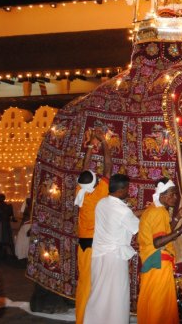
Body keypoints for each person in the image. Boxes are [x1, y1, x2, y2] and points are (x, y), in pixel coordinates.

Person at [83, 174, 140, 324]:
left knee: (99, 293)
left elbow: (124, 217)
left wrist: (144, 210)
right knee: (117, 296)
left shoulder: (102, 203)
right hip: (114, 258)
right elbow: (136, 226)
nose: (129, 190)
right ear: (121, 190)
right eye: (127, 188)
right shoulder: (123, 211)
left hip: (99, 255)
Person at [137, 178, 182, 324]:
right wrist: (181, 229)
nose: (175, 197)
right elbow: (158, 243)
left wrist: (176, 220)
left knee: (155, 303)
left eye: (176, 194)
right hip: (158, 263)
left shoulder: (156, 210)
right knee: (159, 306)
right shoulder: (158, 213)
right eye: (172, 194)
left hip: (154, 262)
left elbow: (164, 235)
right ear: (161, 195)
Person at [75, 128, 113, 324]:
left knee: (84, 282)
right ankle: (85, 319)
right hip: (94, 246)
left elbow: (85, 167)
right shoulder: (98, 195)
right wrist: (104, 143)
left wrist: (90, 144)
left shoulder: (80, 193)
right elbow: (108, 167)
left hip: (83, 245)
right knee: (92, 285)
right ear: (95, 182)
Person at [0, 193, 16, 258]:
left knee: (6, 240)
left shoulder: (7, 207)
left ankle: (9, 255)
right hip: (3, 225)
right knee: (6, 240)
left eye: (0, 198)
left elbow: (12, 217)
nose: (0, 199)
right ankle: (5, 255)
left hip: (4, 225)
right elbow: (12, 218)